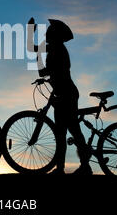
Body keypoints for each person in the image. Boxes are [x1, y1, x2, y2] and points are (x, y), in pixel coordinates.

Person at [27, 17, 92, 175]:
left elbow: (46, 70)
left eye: (49, 33)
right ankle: (64, 168)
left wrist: (39, 60)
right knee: (62, 132)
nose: (47, 35)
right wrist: (30, 33)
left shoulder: (58, 50)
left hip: (66, 94)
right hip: (62, 94)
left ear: (54, 36)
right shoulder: (54, 48)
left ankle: (83, 167)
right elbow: (34, 49)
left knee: (70, 131)